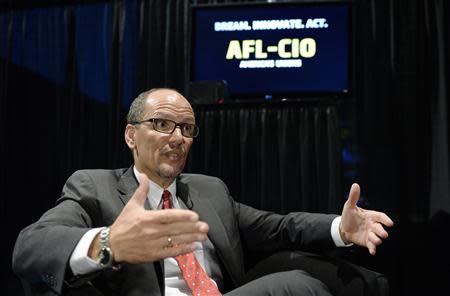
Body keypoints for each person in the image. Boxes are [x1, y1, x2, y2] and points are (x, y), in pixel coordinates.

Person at [13, 88, 394, 296]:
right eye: (162, 124)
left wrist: (340, 229)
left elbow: (277, 227)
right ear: (131, 135)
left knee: (322, 281)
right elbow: (31, 246)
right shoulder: (93, 186)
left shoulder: (209, 191)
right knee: (296, 287)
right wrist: (110, 243)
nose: (177, 138)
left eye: (187, 129)